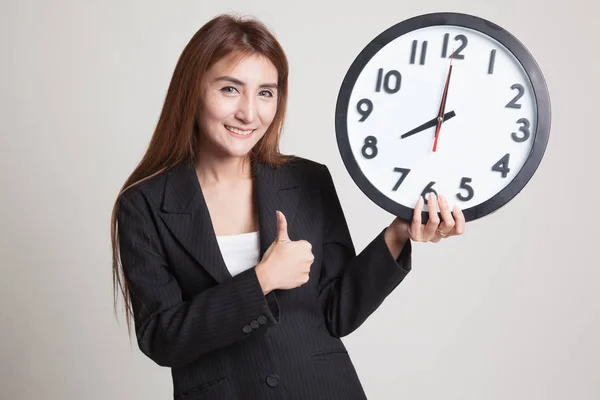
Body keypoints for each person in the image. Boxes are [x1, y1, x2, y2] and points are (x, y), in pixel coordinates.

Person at [110, 13, 465, 400]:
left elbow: (337, 312)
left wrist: (397, 234)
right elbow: (162, 338)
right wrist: (261, 280)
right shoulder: (143, 205)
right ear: (193, 91)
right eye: (230, 89)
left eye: (266, 92)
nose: (249, 112)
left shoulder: (308, 181)